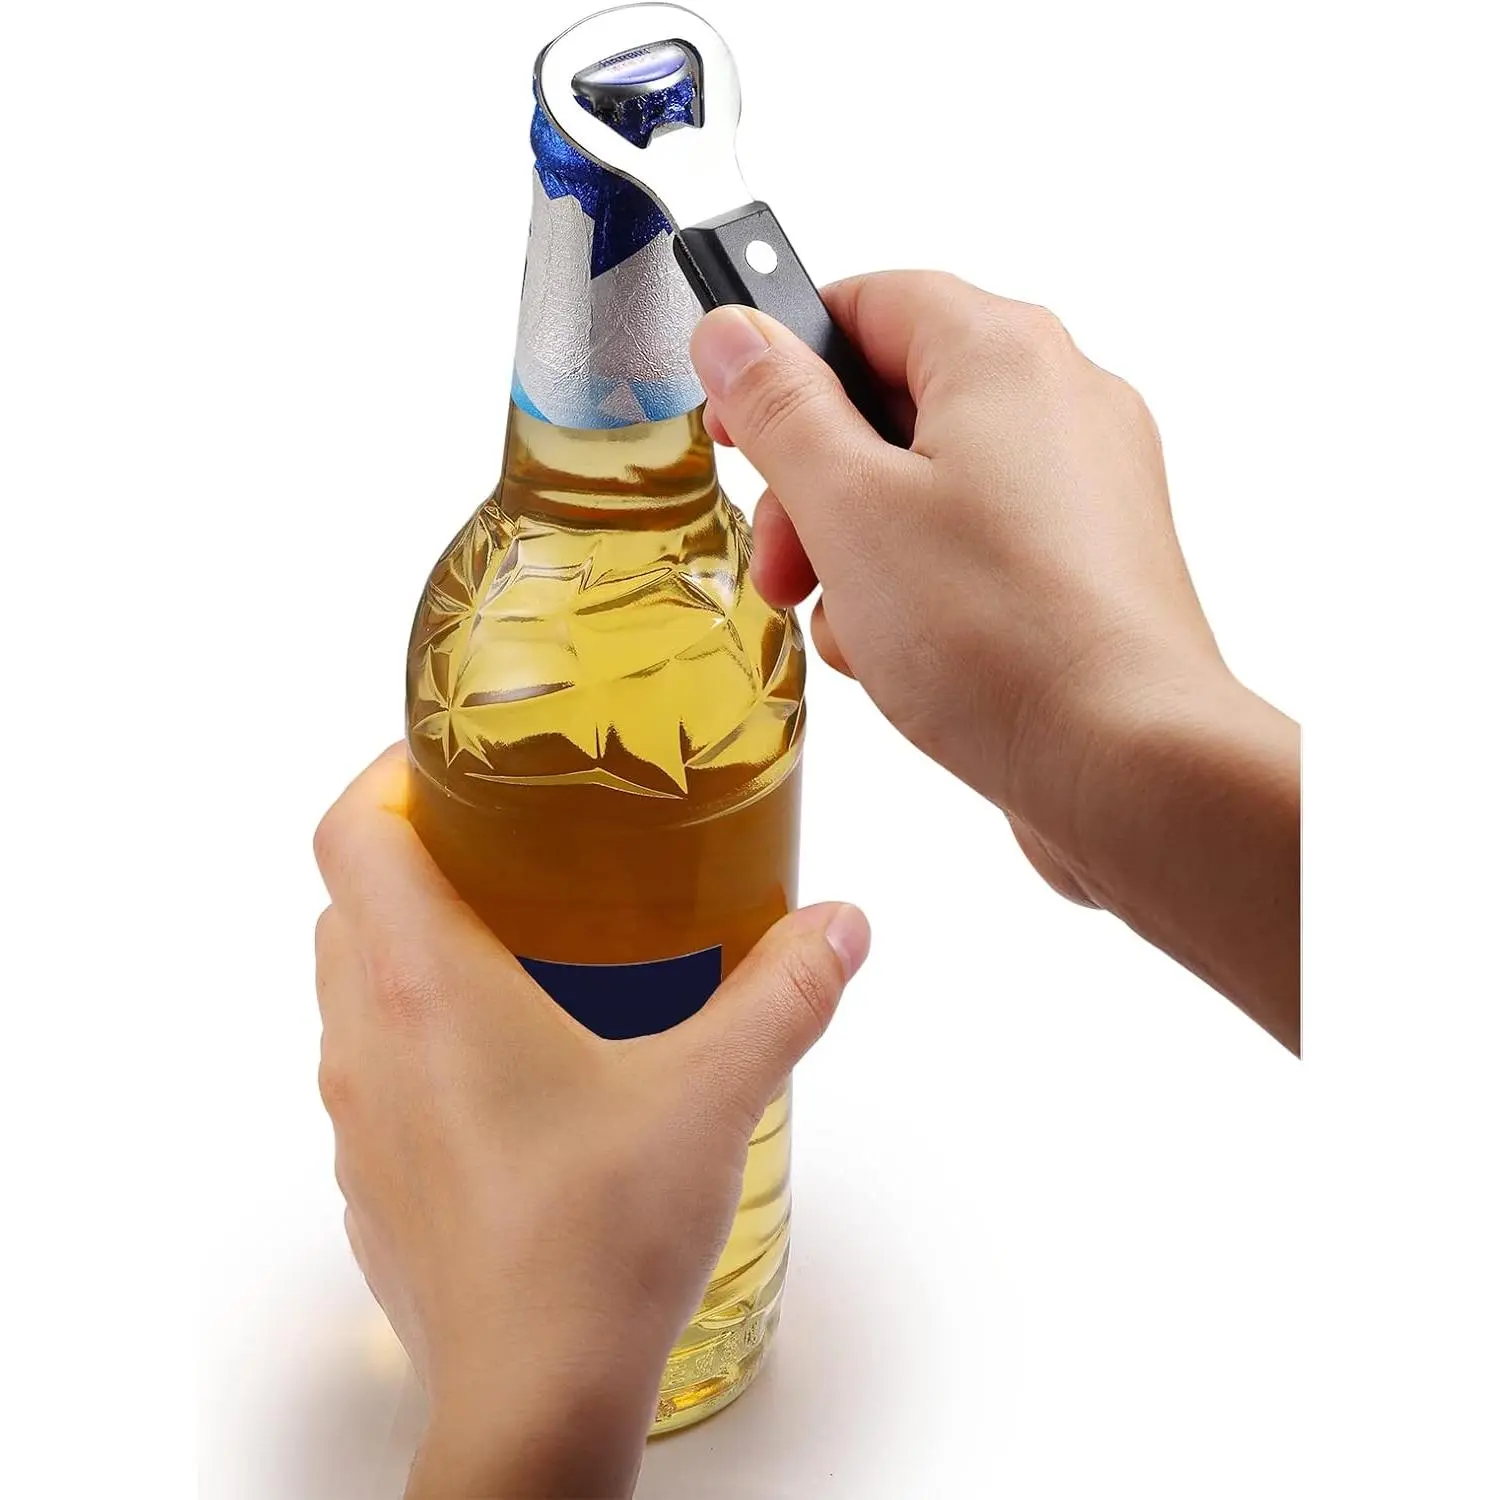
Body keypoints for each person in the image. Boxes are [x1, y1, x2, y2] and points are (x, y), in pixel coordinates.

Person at [313, 272, 1300, 1499]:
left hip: (557, 1321)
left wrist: (519, 1417)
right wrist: (1094, 725)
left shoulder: (727, 592)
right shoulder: (492, 598)